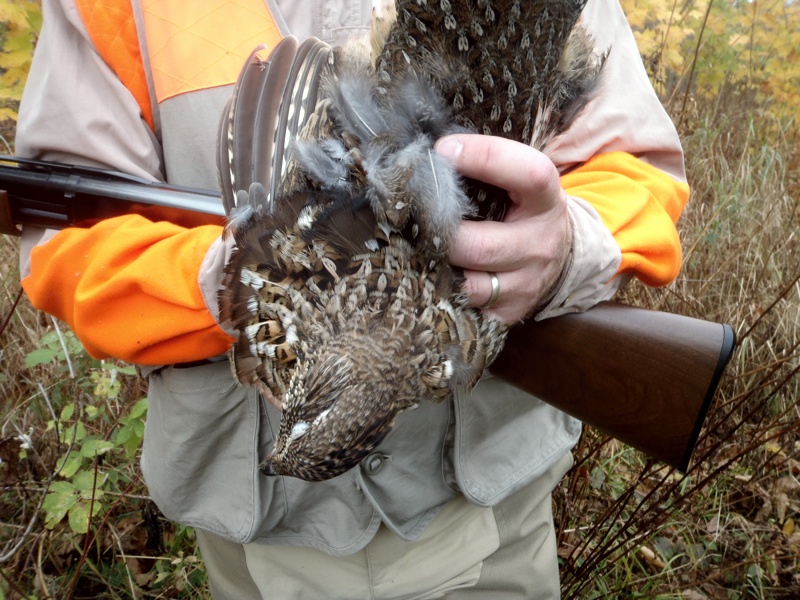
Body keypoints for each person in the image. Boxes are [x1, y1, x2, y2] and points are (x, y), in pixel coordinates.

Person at [16, 0, 689, 598]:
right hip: (260, 548)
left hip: (490, 526)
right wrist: (235, 279)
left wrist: (568, 245)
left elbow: (638, 168)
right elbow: (62, 247)